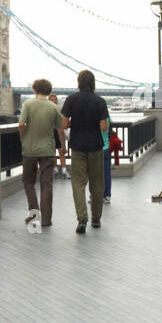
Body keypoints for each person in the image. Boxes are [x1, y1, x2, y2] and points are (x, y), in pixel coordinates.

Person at [60, 70, 109, 234]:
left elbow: (64, 125)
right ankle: (96, 219)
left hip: (78, 146)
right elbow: (103, 127)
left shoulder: (71, 100)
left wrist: (76, 122)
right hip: (96, 146)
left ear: (79, 82)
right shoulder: (100, 101)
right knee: (97, 184)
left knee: (78, 184)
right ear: (93, 82)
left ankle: (82, 219)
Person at [18, 78, 62, 228]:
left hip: (29, 149)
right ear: (48, 90)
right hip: (48, 149)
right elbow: (59, 126)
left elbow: (21, 124)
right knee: (46, 184)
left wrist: (23, 139)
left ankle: (34, 213)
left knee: (28, 181)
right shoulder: (53, 106)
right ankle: (46, 220)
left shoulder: (28, 104)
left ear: (35, 89)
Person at [48, 92, 68, 178]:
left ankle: (63, 170)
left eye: (54, 99)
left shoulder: (60, 110)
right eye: (51, 99)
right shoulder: (47, 110)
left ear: (57, 100)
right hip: (51, 132)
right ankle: (55, 170)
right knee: (52, 152)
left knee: (61, 152)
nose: (53, 101)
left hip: (58, 132)